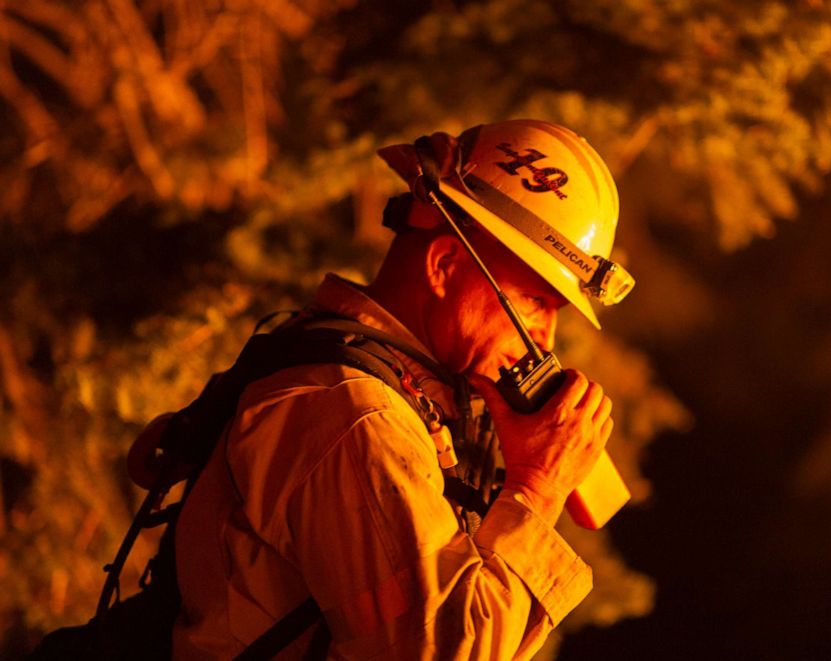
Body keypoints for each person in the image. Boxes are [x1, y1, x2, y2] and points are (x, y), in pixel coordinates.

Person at [171, 119, 635, 659]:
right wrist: (537, 488)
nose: (545, 339)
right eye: (534, 301)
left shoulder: (395, 397)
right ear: (444, 265)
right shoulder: (355, 418)